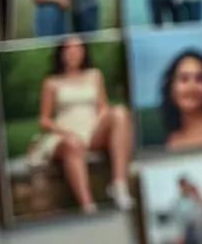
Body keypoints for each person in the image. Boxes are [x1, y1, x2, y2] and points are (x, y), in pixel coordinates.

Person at [27, 36, 134, 214]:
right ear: (61, 54)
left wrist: (103, 121)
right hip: (65, 133)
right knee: (73, 144)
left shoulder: (94, 75)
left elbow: (102, 106)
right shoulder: (51, 81)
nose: (73, 54)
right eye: (68, 49)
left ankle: (118, 184)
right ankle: (88, 206)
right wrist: (65, 133)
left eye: (78, 49)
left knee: (120, 112)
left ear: (84, 52)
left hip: (92, 131)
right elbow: (44, 119)